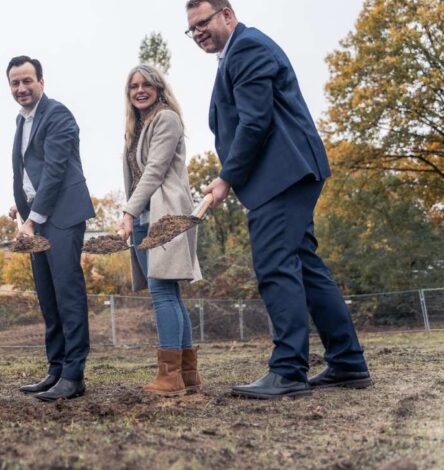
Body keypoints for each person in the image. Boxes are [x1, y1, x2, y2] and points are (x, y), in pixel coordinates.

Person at [185, 0, 371, 399]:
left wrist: (225, 179)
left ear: (227, 15)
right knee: (304, 266)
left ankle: (288, 371)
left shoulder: (247, 48)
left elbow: (255, 122)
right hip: (288, 173)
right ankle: (347, 362)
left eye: (203, 22)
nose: (198, 32)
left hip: (282, 174)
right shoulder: (235, 54)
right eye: (192, 28)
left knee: (274, 265)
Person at [6, 55, 95, 402]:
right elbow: (33, 169)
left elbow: (57, 170)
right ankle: (56, 368)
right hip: (36, 217)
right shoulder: (21, 119)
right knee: (47, 295)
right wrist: (24, 204)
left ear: (41, 82)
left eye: (27, 80)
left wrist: (33, 218)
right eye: (15, 82)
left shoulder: (58, 114)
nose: (21, 88)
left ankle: (74, 375)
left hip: (61, 217)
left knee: (67, 293)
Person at [118, 64, 203, 396]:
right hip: (142, 218)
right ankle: (187, 376)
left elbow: (154, 171)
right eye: (133, 86)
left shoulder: (166, 119)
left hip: (162, 216)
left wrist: (127, 211)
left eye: (146, 84)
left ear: (159, 88)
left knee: (162, 291)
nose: (140, 90)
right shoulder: (137, 126)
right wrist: (133, 213)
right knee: (169, 292)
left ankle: (170, 378)